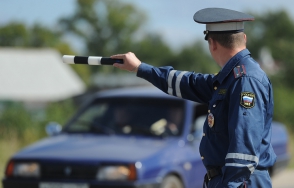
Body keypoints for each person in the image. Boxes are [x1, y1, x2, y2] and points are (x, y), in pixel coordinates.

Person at [111, 8, 276, 188]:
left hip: (239, 183)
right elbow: (187, 83)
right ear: (244, 39)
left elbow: (243, 151)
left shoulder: (245, 80)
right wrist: (140, 68)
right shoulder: (229, 79)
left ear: (212, 43)